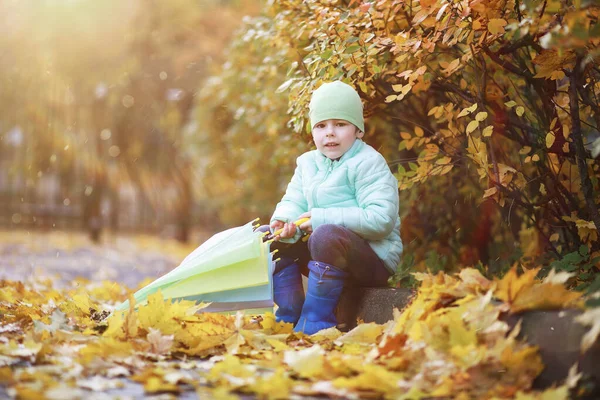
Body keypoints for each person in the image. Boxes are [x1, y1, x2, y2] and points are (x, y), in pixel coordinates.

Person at [266, 80, 402, 335]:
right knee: (266, 238)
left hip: (370, 261)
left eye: (340, 124)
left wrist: (320, 219)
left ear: (358, 130)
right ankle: (289, 313)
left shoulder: (368, 163)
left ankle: (316, 320)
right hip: (326, 257)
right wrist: (284, 222)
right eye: (321, 125)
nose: (330, 133)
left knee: (325, 234)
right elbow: (294, 201)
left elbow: (381, 219)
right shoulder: (307, 163)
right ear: (313, 132)